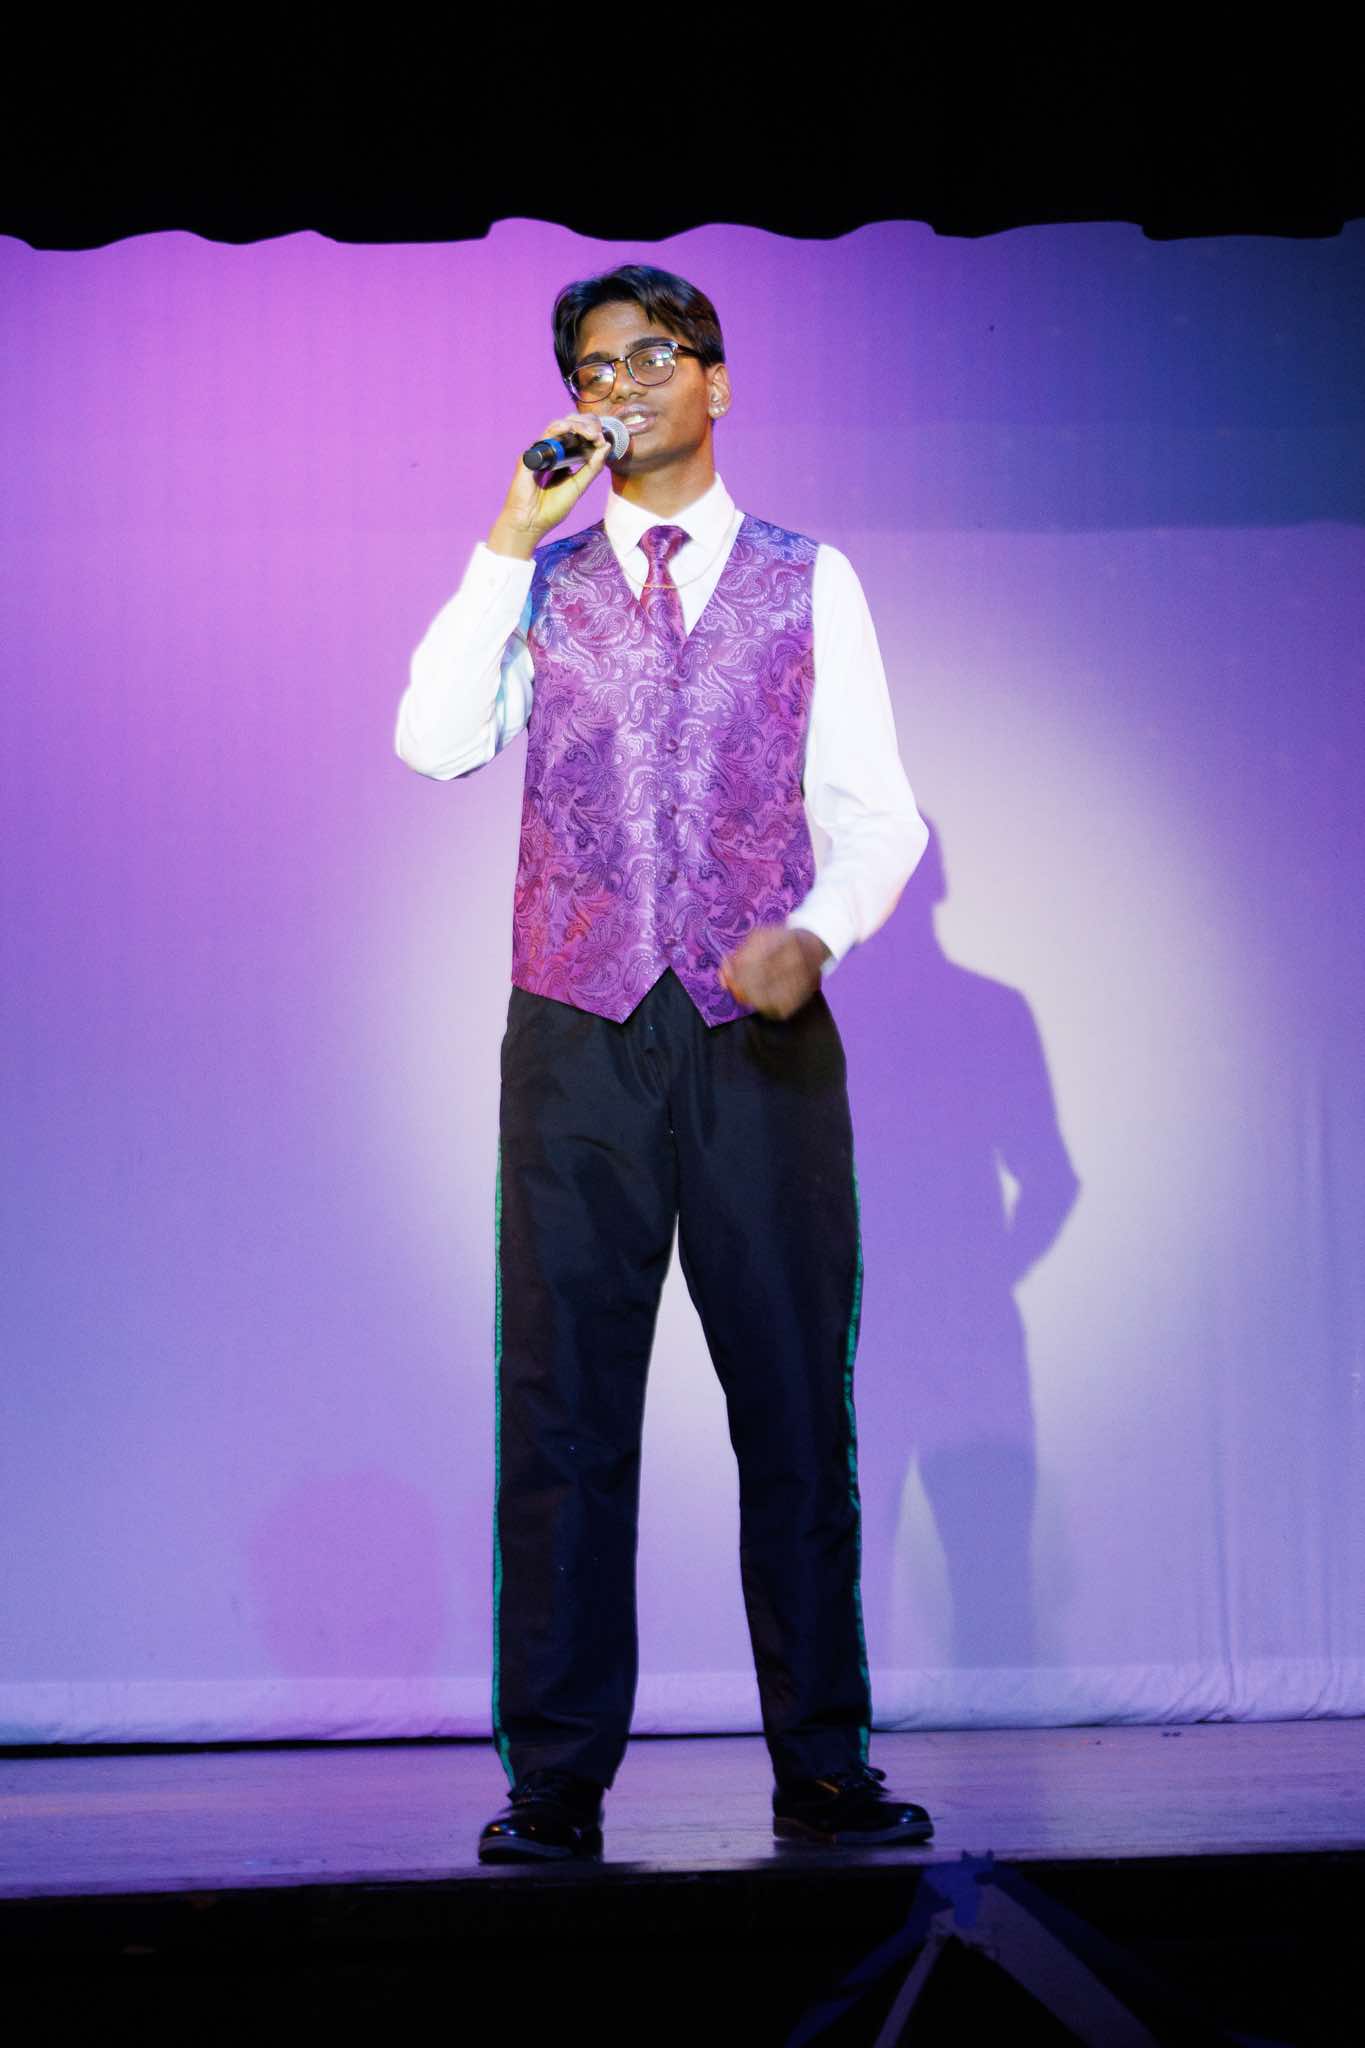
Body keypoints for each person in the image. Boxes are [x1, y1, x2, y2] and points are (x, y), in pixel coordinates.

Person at [394, 263, 932, 1862]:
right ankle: (554, 1781)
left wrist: (813, 934)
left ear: (714, 378)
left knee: (792, 1403)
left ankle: (820, 1767)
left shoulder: (809, 578)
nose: (616, 387)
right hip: (575, 1031)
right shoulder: (542, 578)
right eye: (589, 368)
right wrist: (507, 538)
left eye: (646, 357)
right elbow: (434, 740)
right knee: (563, 1410)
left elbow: (876, 814)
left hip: (755, 1035)